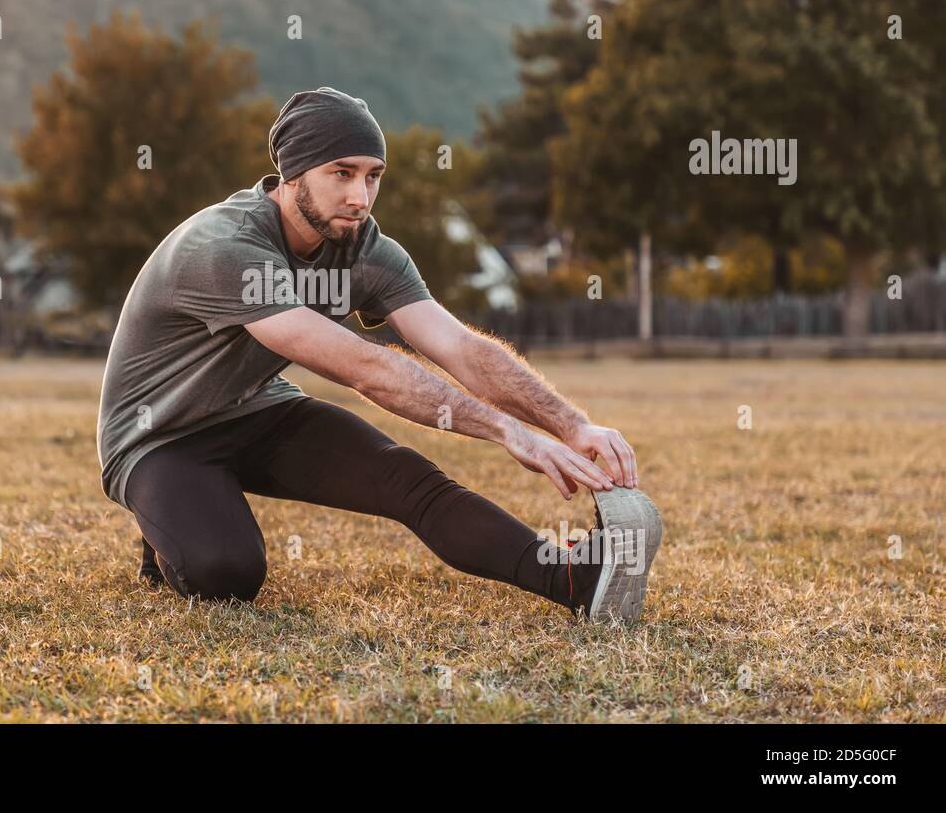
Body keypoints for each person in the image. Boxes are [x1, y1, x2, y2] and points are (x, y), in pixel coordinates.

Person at [96, 86, 662, 622]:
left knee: (408, 479)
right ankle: (163, 524)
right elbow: (366, 368)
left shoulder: (364, 247)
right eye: (340, 173)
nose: (359, 197)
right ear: (293, 175)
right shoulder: (225, 248)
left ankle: (575, 579)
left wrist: (570, 424)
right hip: (158, 435)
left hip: (256, 410)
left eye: (372, 176)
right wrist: (505, 430)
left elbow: (457, 345)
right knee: (226, 572)